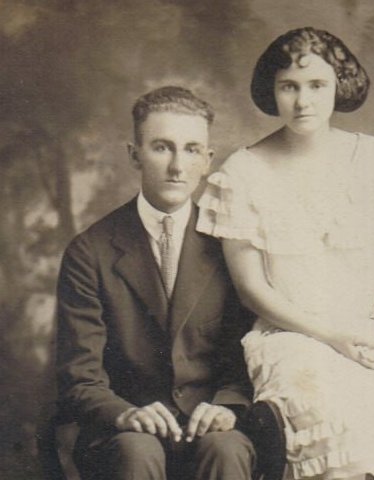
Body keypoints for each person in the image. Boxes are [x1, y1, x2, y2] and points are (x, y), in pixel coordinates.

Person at [197, 27, 374, 480]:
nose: (303, 102)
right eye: (289, 87)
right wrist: (332, 336)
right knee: (342, 439)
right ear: (272, 91)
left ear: (339, 84)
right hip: (295, 337)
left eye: (317, 86)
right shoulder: (243, 173)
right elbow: (251, 289)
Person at [56, 86, 256, 480]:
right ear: (134, 155)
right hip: (125, 427)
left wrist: (228, 406)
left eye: (192, 149)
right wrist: (124, 413)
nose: (178, 166)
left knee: (226, 448)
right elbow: (80, 376)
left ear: (208, 160)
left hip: (208, 421)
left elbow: (250, 351)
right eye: (162, 148)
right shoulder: (89, 251)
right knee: (137, 451)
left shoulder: (231, 245)